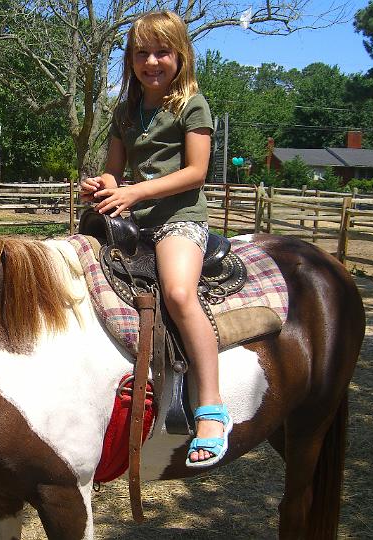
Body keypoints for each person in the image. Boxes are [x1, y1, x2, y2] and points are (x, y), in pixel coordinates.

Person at [80, 11, 231, 467]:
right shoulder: (125, 110)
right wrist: (102, 184)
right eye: (141, 52)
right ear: (130, 59)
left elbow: (196, 172)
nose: (151, 61)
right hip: (132, 217)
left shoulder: (192, 105)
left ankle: (210, 408)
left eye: (161, 51)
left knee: (180, 293)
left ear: (179, 55)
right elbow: (115, 170)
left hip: (178, 218)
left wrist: (132, 192)